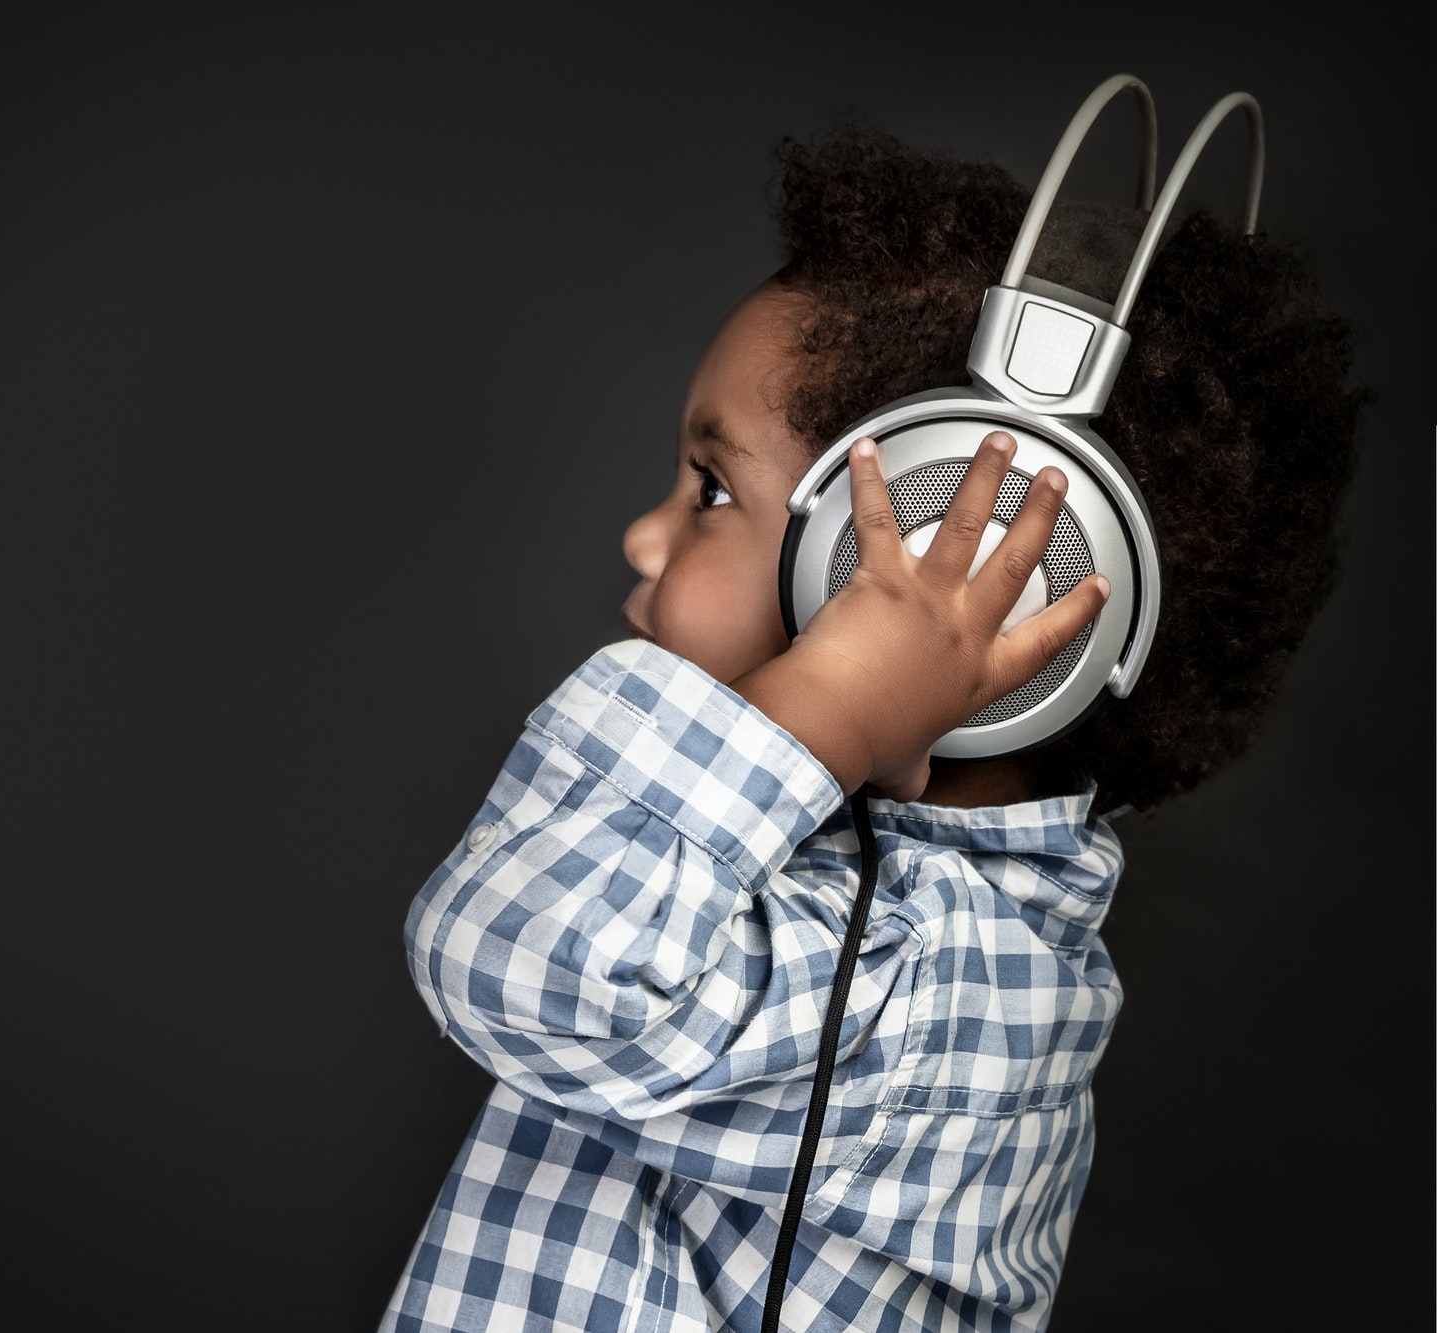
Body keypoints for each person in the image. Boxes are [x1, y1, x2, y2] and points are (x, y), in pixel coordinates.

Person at [377, 117, 1367, 1332]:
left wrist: (831, 698)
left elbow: (522, 961)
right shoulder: (815, 875)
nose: (644, 537)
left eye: (709, 490)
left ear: (900, 558)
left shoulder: (940, 997)